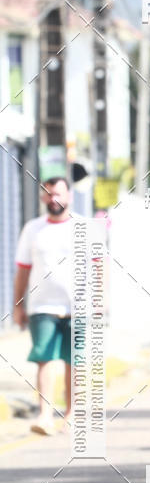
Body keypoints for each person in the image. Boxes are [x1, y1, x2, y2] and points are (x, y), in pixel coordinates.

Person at [13, 176, 74, 435]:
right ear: (42, 198)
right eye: (49, 194)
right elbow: (23, 270)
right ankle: (45, 414)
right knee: (45, 359)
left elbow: (98, 266)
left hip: (78, 306)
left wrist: (99, 302)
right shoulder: (32, 229)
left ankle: (72, 414)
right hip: (42, 306)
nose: (54, 199)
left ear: (69, 196)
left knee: (76, 361)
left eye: (58, 193)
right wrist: (18, 305)